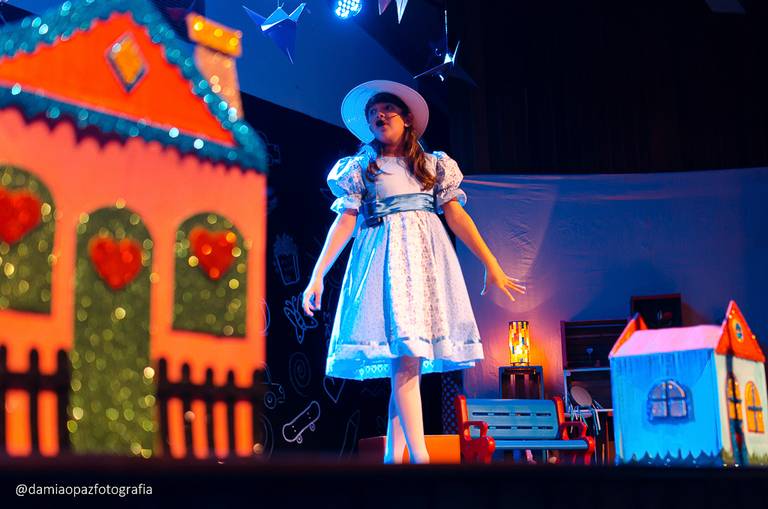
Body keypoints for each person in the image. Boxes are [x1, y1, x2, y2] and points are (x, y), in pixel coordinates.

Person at [302, 80, 525, 464]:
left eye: (386, 109)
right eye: (373, 113)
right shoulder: (362, 169)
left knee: (408, 365)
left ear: (407, 119)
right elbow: (344, 222)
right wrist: (318, 273)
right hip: (386, 266)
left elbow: (457, 217)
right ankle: (419, 460)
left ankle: (395, 459)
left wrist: (491, 263)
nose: (379, 115)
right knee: (406, 361)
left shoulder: (433, 166)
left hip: (424, 267)